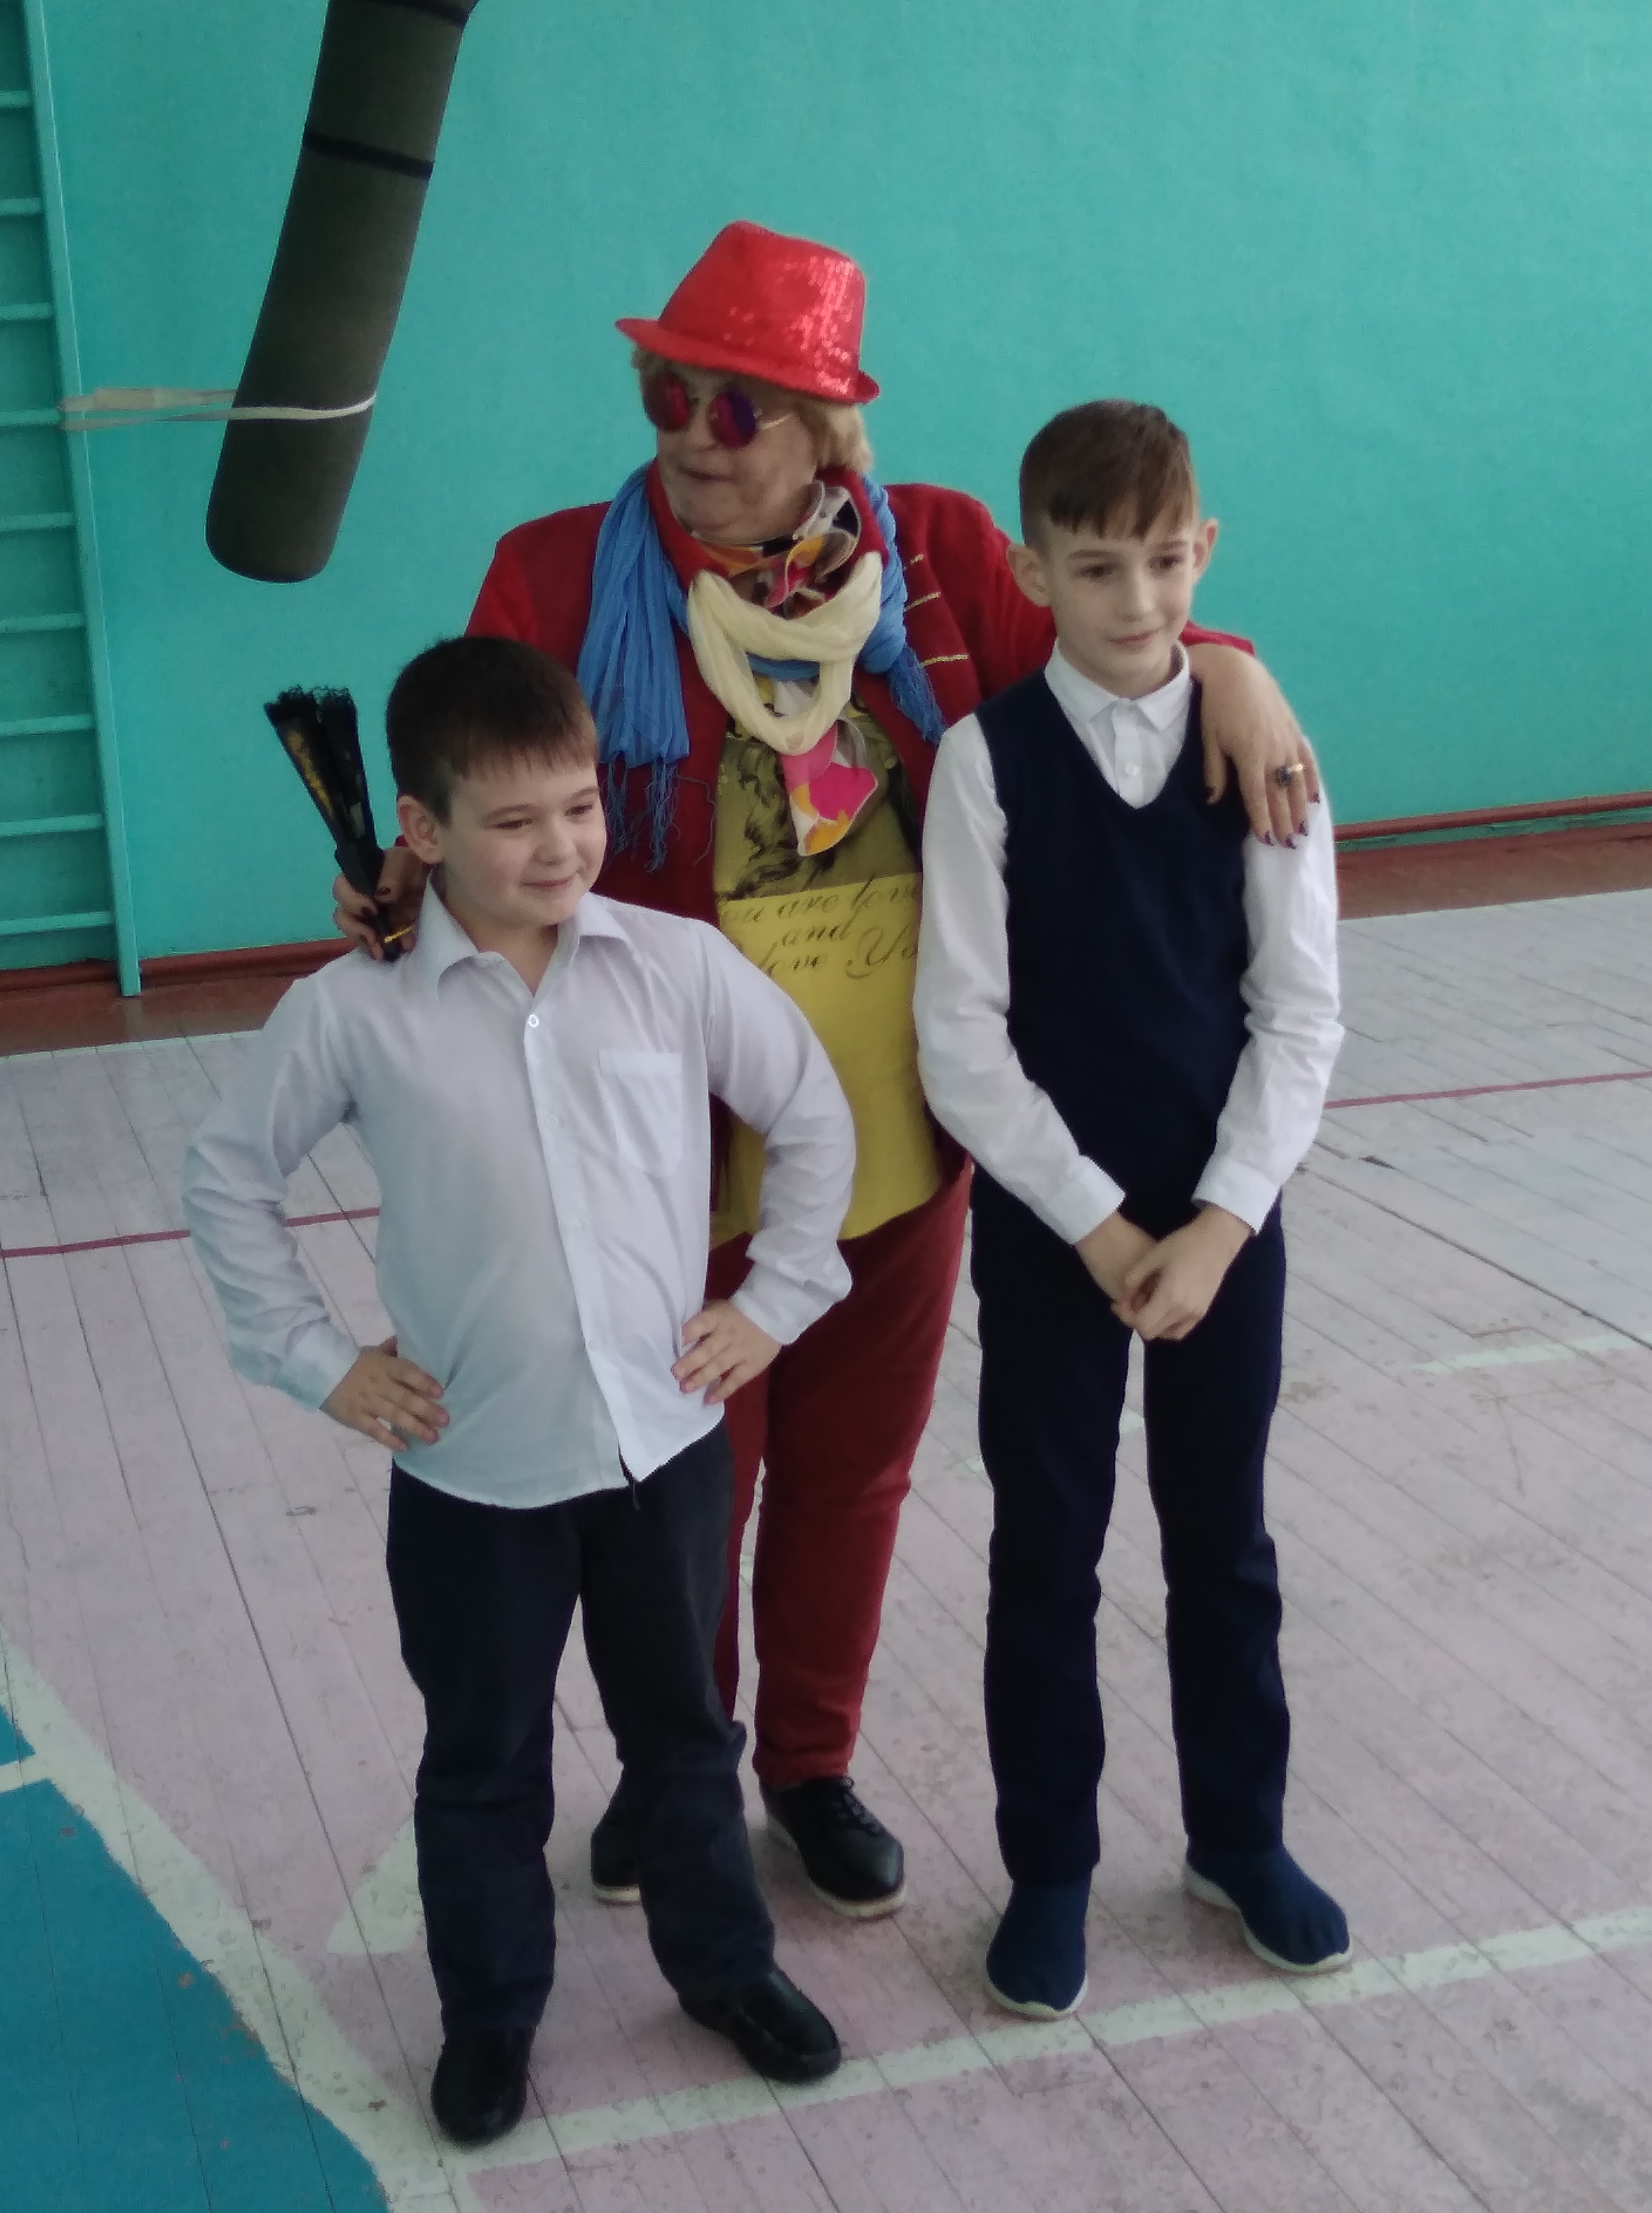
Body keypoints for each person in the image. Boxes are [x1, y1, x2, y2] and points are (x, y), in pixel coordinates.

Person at [335, 220, 1323, 1920]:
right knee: (684, 1485)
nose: (691, 441)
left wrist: (1235, 664)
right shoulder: (560, 577)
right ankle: (681, 1764)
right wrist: (405, 876)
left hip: (897, 1136)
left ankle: (808, 1765)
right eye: (666, 397)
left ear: (826, 430)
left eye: (736, 410)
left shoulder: (936, 555)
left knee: (853, 1474)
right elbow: (475, 781)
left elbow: (1118, 647)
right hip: (665, 1144)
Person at [185, 637, 857, 2145]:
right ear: (420, 830)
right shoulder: (353, 1013)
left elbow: (812, 1112)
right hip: (473, 1474)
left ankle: (725, 1968)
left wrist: (775, 1302)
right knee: (483, 1762)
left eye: (580, 806)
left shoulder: (673, 969)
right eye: (513, 821)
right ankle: (490, 2015)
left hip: (664, 1452)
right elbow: (227, 1179)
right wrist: (319, 1361)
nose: (560, 846)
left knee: (684, 1733)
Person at [913, 400, 1347, 2019]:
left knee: (1222, 1543)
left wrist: (1222, 1223)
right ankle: (1050, 1872)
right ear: (1034, 571)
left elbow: (1300, 1013)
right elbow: (961, 1037)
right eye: (1097, 568)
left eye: (1166, 563)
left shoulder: (1266, 753)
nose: (1140, 600)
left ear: (1204, 552)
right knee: (1048, 1549)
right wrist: (1099, 1226)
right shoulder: (985, 763)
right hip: (1056, 1236)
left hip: (1226, 1225)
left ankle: (1240, 1839)